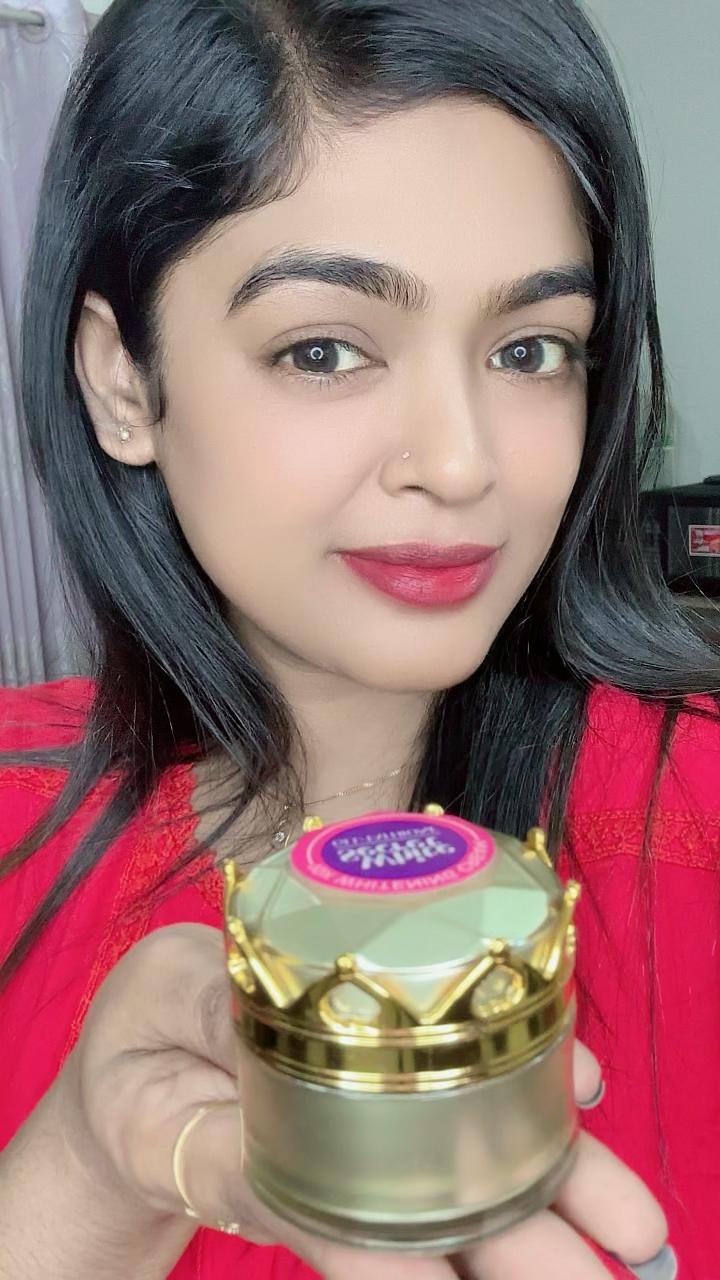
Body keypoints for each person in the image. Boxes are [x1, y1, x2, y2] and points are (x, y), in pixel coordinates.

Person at [0, 0, 718, 1276]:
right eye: (325, 348)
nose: (460, 461)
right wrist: (84, 1178)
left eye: (532, 348)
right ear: (123, 381)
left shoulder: (695, 807)